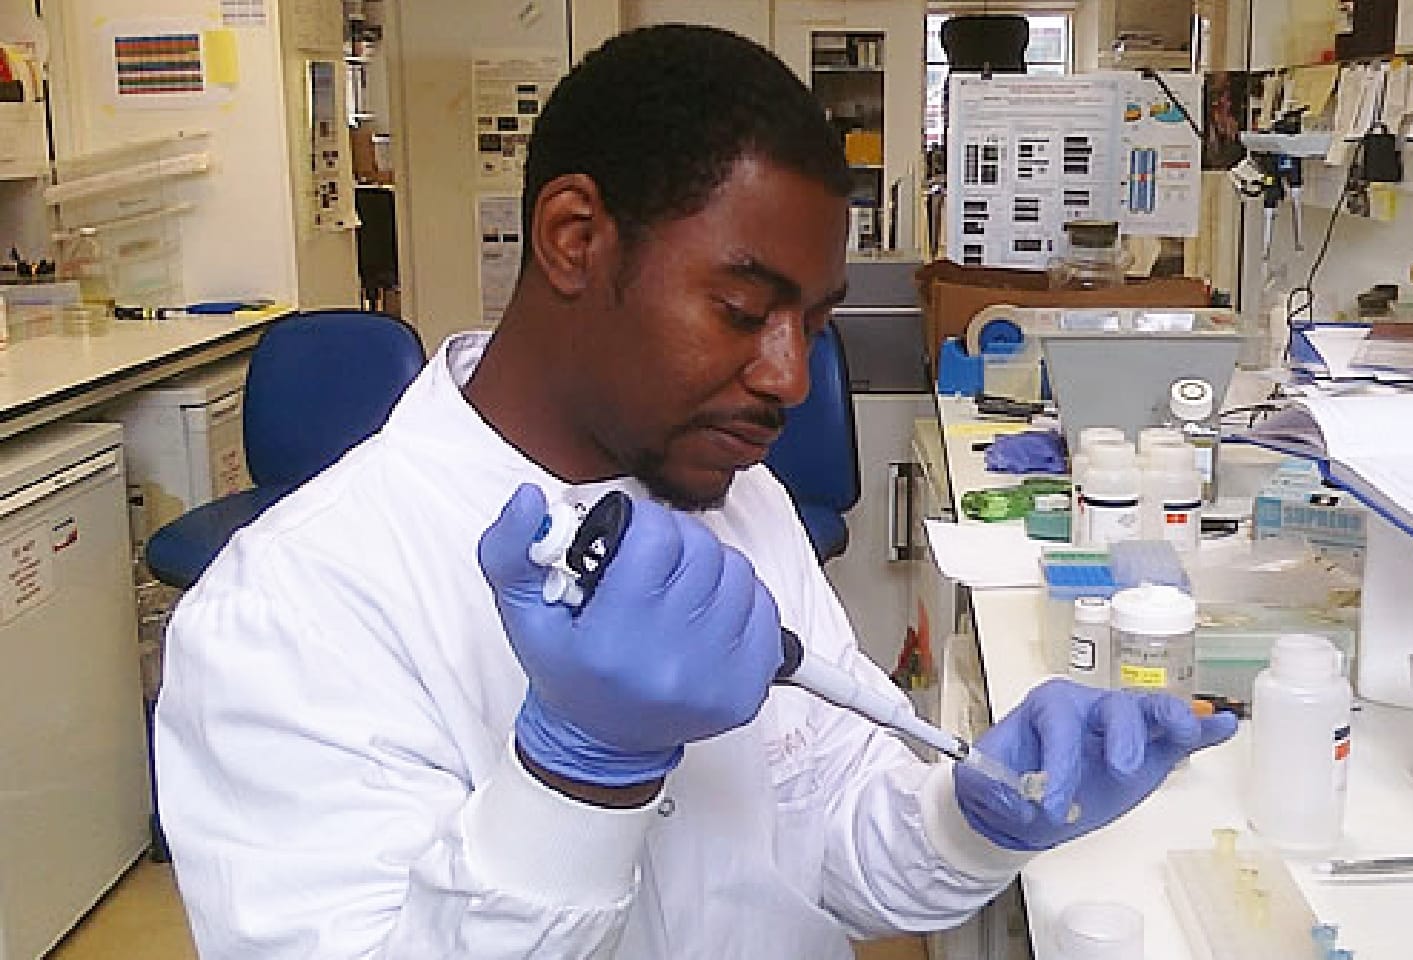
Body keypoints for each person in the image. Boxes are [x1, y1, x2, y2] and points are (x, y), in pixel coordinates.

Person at [155, 24, 1235, 958]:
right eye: (738, 307)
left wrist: (969, 819)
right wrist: (576, 778)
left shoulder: (731, 493)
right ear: (575, 239)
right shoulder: (291, 608)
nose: (789, 377)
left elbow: (828, 832)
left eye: (810, 322)